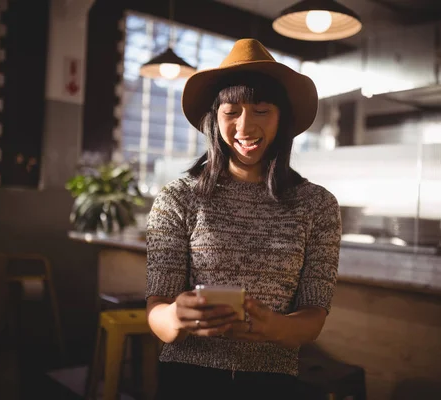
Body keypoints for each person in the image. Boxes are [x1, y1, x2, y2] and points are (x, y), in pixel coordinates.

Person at [146, 38, 342, 400]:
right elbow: (156, 308)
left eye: (262, 110)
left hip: (273, 383)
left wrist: (276, 328)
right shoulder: (177, 198)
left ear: (281, 118)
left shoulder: (317, 205)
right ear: (214, 119)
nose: (245, 126)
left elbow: (314, 316)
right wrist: (176, 316)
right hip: (187, 377)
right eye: (231, 111)